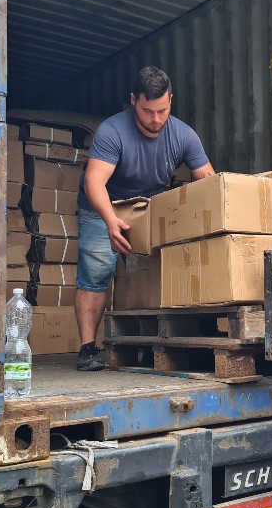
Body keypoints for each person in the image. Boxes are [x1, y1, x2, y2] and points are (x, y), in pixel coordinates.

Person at [74, 67, 216, 371]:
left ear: (171, 101)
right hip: (103, 205)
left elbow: (209, 181)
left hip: (146, 207)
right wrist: (110, 220)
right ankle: (87, 350)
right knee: (97, 269)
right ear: (133, 100)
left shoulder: (184, 135)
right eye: (147, 111)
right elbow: (94, 181)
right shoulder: (112, 131)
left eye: (162, 110)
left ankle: (151, 345)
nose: (156, 119)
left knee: (150, 273)